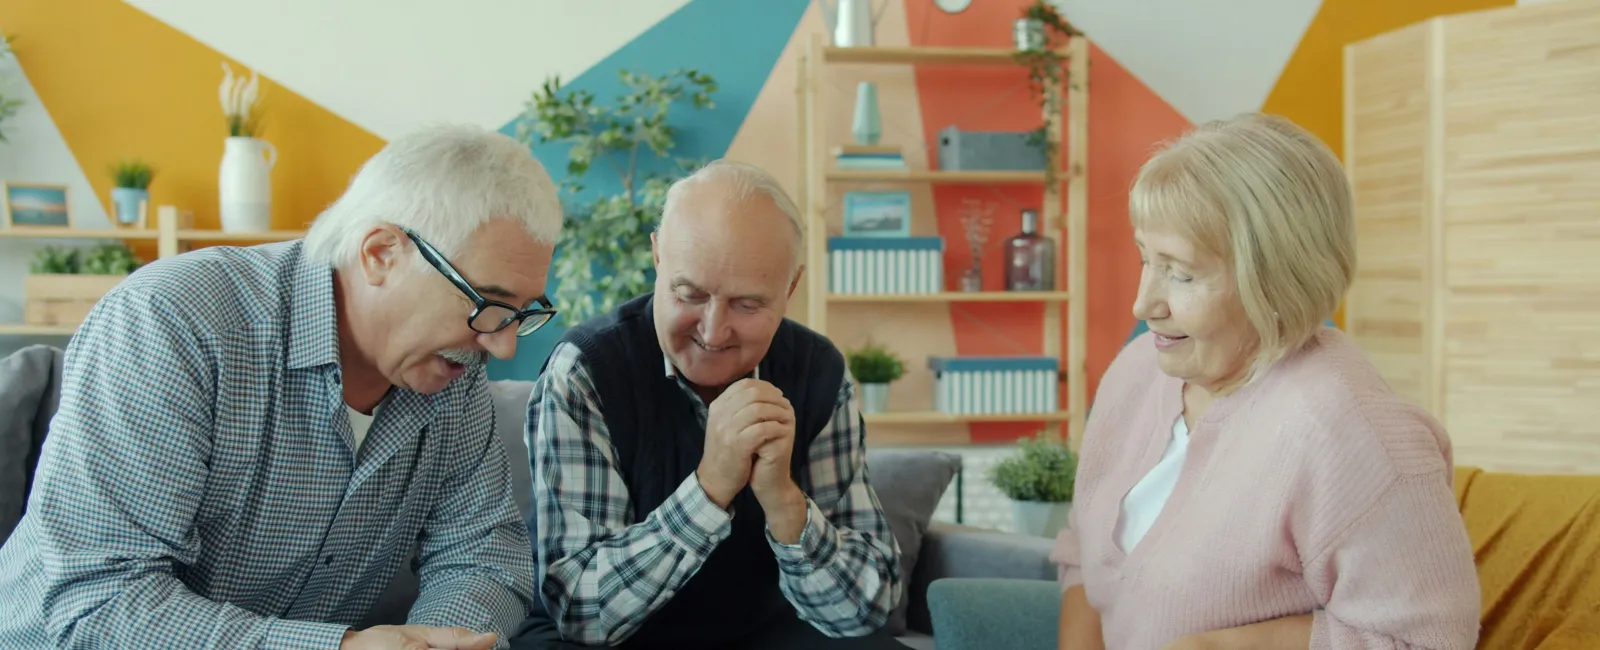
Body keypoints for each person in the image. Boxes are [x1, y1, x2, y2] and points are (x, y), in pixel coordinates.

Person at [0, 124, 565, 650]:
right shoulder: (174, 319)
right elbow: (95, 600)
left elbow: (483, 557)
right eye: (487, 303)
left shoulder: (451, 373)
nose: (505, 345)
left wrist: (440, 641)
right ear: (381, 254)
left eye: (522, 312)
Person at [1052, 113, 1481, 650]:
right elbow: (1081, 559)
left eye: (1181, 274)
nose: (1144, 304)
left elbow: (1428, 643)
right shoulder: (1138, 371)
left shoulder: (1351, 434)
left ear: (1276, 280)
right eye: (1146, 259)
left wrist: (1226, 646)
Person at [513, 160, 905, 650]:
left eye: (748, 305)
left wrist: (784, 500)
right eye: (689, 294)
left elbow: (866, 610)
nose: (713, 332)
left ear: (791, 287)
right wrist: (711, 487)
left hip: (762, 631)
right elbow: (581, 613)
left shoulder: (817, 371)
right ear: (657, 257)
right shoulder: (586, 370)